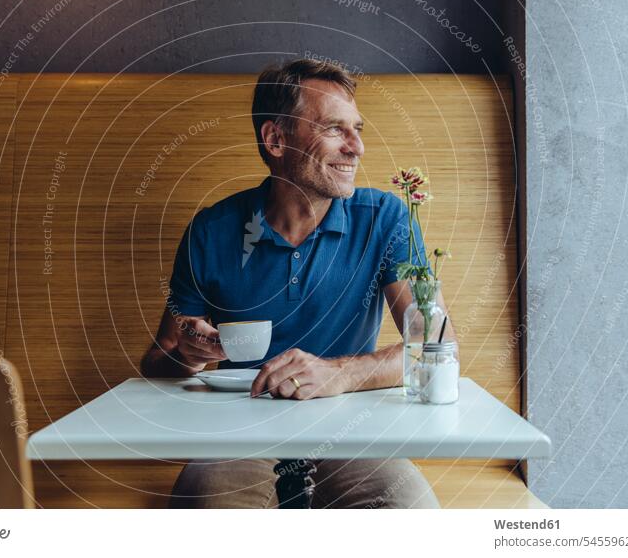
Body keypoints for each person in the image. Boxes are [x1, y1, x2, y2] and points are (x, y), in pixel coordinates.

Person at [140, 58, 456, 509]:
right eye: (334, 129)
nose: (357, 147)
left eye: (357, 128)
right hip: (236, 434)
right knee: (205, 517)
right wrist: (187, 357)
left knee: (410, 512)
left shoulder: (385, 218)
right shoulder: (211, 230)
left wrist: (338, 373)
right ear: (276, 139)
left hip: (349, 430)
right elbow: (159, 359)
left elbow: (436, 345)